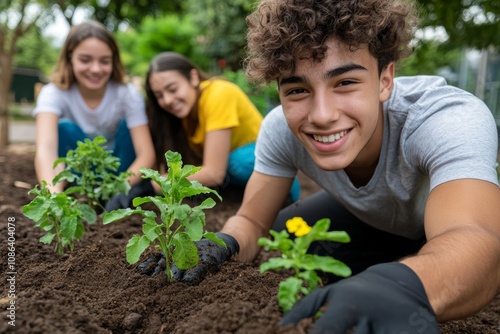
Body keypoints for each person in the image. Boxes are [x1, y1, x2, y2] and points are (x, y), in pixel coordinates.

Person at [139, 0, 500, 333]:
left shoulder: (445, 120)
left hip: (440, 229)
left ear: (385, 80)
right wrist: (220, 244)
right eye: (297, 89)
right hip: (382, 223)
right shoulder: (281, 128)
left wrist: (404, 285)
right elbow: (251, 220)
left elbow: (478, 240)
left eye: (345, 82)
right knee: (290, 232)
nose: (322, 115)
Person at [106, 51, 300, 211]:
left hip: (275, 176)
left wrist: (149, 186)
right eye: (159, 95)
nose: (167, 100)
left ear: (193, 77)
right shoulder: (182, 117)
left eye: (172, 89)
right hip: (236, 181)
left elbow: (214, 173)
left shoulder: (218, 94)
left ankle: (282, 199)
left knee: (235, 163)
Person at [33, 20, 155, 194]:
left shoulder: (127, 94)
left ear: (114, 61)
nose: (96, 69)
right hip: (78, 174)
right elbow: (46, 149)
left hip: (121, 171)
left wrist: (120, 188)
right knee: (64, 128)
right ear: (70, 58)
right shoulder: (53, 93)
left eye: (105, 61)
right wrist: (53, 195)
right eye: (85, 60)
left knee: (127, 129)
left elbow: (146, 154)